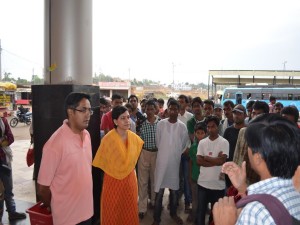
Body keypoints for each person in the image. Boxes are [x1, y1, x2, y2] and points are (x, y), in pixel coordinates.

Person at [213, 115, 300, 225]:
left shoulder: (255, 212)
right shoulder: (294, 191)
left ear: (258, 158)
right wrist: (242, 189)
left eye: (249, 145)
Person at [37, 92, 94, 225]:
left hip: (87, 212)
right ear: (70, 111)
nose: (88, 114)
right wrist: (54, 205)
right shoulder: (55, 144)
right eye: (83, 110)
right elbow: (42, 188)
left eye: (90, 110)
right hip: (67, 218)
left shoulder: (87, 135)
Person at [93, 105, 143, 225]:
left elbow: (133, 161)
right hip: (112, 180)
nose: (127, 121)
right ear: (115, 121)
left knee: (129, 209)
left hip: (129, 180)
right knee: (112, 210)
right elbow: (102, 161)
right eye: (123, 118)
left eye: (128, 117)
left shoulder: (135, 139)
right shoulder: (108, 139)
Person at [152, 99, 190, 225]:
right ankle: (156, 219)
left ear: (179, 111)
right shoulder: (161, 124)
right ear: (167, 109)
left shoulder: (182, 127)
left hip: (174, 164)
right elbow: (158, 142)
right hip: (161, 163)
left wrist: (173, 153)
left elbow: (183, 144)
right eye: (170, 109)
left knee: (174, 192)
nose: (173, 111)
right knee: (159, 192)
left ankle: (173, 214)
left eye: (175, 109)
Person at [196, 115, 229, 225]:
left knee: (215, 215)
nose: (210, 129)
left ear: (218, 127)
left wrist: (206, 158)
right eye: (208, 127)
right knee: (200, 212)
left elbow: (222, 161)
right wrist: (216, 160)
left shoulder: (224, 142)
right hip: (203, 183)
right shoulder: (202, 142)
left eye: (213, 127)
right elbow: (198, 161)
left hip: (218, 185)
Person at [0, 115, 26, 223]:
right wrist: (2, 140)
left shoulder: (3, 120)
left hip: (4, 159)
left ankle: (12, 212)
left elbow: (10, 138)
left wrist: (1, 142)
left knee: (8, 188)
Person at [138, 100, 160, 219]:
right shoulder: (141, 122)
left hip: (156, 153)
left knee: (155, 180)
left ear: (156, 109)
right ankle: (142, 208)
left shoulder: (161, 123)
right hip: (144, 152)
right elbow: (137, 138)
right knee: (143, 181)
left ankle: (154, 202)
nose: (150, 111)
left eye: (152, 109)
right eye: (147, 109)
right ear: (145, 110)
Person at [187, 122, 207, 224]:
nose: (200, 135)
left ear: (206, 133)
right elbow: (190, 162)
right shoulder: (193, 147)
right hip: (195, 177)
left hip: (205, 179)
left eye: (202, 133)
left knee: (203, 201)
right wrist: (190, 176)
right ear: (194, 133)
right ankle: (195, 218)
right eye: (197, 133)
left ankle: (200, 218)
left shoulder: (208, 147)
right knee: (195, 200)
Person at [223, 104, 247, 188]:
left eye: (239, 113)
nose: (236, 116)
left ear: (245, 115)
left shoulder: (249, 131)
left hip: (243, 170)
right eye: (235, 113)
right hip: (230, 169)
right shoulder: (228, 131)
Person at [177, 94, 193, 213]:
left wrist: (189, 148)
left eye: (182, 102)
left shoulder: (190, 117)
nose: (180, 104)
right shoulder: (174, 117)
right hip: (175, 153)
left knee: (187, 179)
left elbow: (192, 136)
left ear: (187, 104)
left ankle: (188, 202)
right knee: (176, 178)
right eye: (179, 102)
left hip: (187, 153)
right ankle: (175, 201)